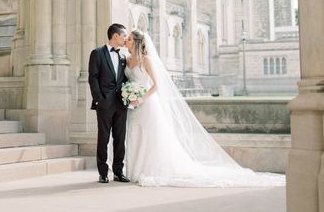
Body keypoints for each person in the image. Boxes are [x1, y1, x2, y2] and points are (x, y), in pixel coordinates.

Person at [124, 29, 285, 187]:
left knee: (150, 137)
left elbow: (156, 85)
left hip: (148, 105)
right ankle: (133, 170)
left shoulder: (146, 60)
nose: (126, 40)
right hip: (133, 106)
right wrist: (129, 95)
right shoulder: (127, 59)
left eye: (129, 38)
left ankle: (149, 170)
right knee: (135, 135)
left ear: (137, 42)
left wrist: (142, 98)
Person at [88, 23, 130, 184]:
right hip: (104, 103)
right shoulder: (97, 53)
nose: (126, 39)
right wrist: (99, 99)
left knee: (120, 138)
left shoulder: (123, 56)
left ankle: (118, 172)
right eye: (124, 36)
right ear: (115, 36)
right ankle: (103, 172)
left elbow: (124, 78)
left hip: (121, 103)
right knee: (103, 138)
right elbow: (93, 78)